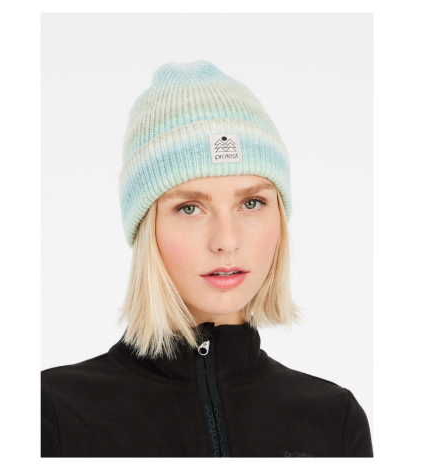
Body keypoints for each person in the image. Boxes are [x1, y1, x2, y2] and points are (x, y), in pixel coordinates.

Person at [41, 60, 373, 457]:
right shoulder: (52, 412)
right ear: (147, 228)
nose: (227, 241)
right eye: (189, 208)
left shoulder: (335, 421)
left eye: (252, 202)